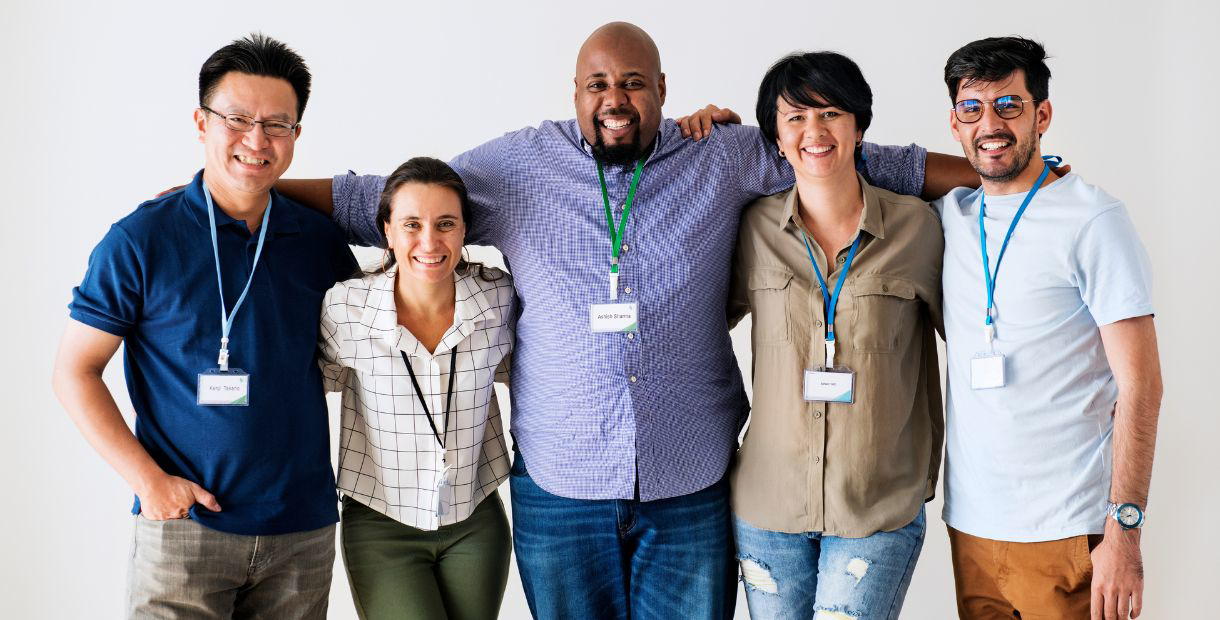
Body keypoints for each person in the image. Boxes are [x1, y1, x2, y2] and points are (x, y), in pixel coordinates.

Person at [279, 22, 972, 619]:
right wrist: (255, 189)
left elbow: (856, 157)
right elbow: (383, 197)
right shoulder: (519, 167)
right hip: (561, 487)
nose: (616, 99)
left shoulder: (721, 154)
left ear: (664, 90)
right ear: (575, 93)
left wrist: (1000, 173)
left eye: (634, 82)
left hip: (689, 482)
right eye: (598, 84)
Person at [51, 34, 356, 618]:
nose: (256, 140)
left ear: (296, 135)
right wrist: (148, 482)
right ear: (201, 121)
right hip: (185, 528)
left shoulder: (319, 242)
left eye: (277, 125)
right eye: (237, 119)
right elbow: (74, 372)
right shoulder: (141, 240)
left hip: (302, 529)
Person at [936, 37, 1162, 620]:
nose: (991, 123)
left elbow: (1141, 386)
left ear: (1043, 114)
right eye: (973, 107)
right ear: (955, 123)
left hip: (1070, 530)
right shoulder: (951, 216)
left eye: (1009, 105)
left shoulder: (1093, 219)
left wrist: (1125, 534)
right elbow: (840, 153)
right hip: (971, 528)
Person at [722, 51, 943, 620]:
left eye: (830, 114)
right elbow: (694, 327)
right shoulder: (753, 229)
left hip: (876, 507)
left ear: (859, 126)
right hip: (768, 506)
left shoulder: (917, 227)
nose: (813, 132)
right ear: (775, 135)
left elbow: (971, 341)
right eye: (795, 117)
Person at [318, 157, 514, 620]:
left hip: (475, 518)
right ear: (386, 230)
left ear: (466, 229)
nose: (430, 241)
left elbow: (536, 380)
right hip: (383, 523)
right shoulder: (345, 307)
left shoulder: (498, 299)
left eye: (446, 224)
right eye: (412, 224)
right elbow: (304, 392)